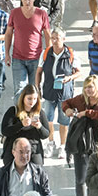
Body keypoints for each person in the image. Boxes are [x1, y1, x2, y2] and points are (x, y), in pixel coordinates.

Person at [63, 74, 98, 196]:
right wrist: (67, 110)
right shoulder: (81, 99)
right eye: (86, 87)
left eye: (91, 87)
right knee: (80, 178)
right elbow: (66, 103)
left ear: (97, 87)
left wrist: (87, 113)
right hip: (82, 140)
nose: (88, 90)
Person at [36, 28, 82, 160]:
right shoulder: (46, 53)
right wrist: (38, 88)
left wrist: (69, 78)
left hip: (65, 95)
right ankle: (51, 143)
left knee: (64, 121)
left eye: (58, 38)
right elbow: (39, 71)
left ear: (64, 39)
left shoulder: (70, 54)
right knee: (48, 120)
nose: (55, 41)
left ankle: (63, 145)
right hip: (49, 92)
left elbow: (79, 72)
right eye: (53, 38)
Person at [5, 0, 51, 98]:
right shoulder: (14, 13)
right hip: (18, 57)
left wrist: (48, 54)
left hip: (36, 58)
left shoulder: (41, 14)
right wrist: (7, 54)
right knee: (19, 90)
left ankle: (34, 114)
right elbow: (8, 34)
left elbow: (47, 35)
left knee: (34, 89)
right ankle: (20, 114)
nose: (27, 2)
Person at [1, 85, 49, 166]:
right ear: (23, 98)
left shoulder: (40, 113)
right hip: (15, 149)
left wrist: (39, 127)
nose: (32, 102)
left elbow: (46, 134)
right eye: (29, 98)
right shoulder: (13, 111)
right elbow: (5, 131)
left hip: (33, 150)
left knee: (36, 173)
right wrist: (21, 125)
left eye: (35, 99)